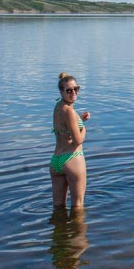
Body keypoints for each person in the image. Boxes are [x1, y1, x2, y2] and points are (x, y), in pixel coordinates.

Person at [51, 73, 90, 209]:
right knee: (78, 207)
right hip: (72, 159)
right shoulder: (69, 111)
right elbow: (78, 140)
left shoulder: (58, 107)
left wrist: (79, 120)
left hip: (56, 161)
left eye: (76, 89)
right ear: (61, 92)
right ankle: (78, 230)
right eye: (69, 90)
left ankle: (59, 229)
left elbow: (64, 127)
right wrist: (83, 127)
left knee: (58, 207)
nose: (73, 93)